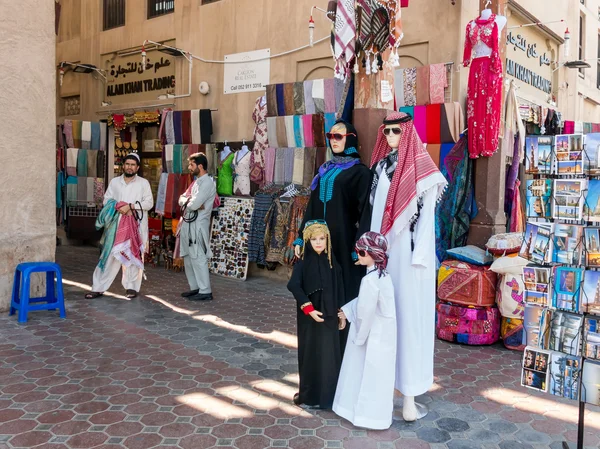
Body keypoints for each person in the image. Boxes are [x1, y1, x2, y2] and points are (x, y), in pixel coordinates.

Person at [370, 112, 447, 421]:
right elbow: (376, 214)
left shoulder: (425, 172)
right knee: (384, 319)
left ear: (406, 132)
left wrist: (420, 261)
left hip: (413, 261)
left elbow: (427, 222)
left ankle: (410, 399)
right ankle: (386, 390)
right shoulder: (379, 167)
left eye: (395, 131)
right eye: (385, 131)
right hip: (385, 256)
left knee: (410, 324)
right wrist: (373, 252)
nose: (389, 136)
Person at [293, 119, 372, 313]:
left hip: (344, 241)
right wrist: (301, 238)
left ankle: (344, 332)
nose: (333, 141)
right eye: (330, 136)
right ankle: (324, 326)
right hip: (320, 241)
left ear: (350, 140)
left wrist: (359, 245)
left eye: (338, 136)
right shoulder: (324, 170)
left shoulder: (360, 173)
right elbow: (312, 207)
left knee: (345, 285)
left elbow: (365, 213)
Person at [333, 232, 397, 430]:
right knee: (379, 376)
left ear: (373, 254)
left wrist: (360, 338)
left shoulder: (370, 280)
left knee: (363, 373)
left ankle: (361, 414)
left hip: (372, 334)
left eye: (361, 252)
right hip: (383, 332)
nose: (358, 255)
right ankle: (375, 416)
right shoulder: (382, 275)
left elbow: (365, 312)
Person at [287, 220, 346, 409]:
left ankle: (329, 397)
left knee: (330, 356)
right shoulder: (303, 263)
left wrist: (341, 314)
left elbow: (339, 288)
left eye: (322, 238)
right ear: (308, 240)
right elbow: (294, 285)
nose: (318, 243)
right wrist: (308, 309)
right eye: (314, 239)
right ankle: (310, 395)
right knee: (311, 354)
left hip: (329, 318)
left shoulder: (332, 263)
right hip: (310, 320)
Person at [85, 153, 154, 299]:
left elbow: (149, 203)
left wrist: (130, 207)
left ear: (138, 167)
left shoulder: (143, 183)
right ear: (123, 165)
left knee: (133, 257)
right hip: (116, 226)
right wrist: (119, 207)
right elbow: (107, 200)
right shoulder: (115, 182)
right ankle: (97, 287)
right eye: (127, 164)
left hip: (136, 226)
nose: (130, 167)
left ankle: (132, 288)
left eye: (133, 165)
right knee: (109, 256)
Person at [178, 153, 217, 301]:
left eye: (191, 165)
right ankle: (195, 287)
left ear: (200, 166)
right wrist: (190, 202)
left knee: (198, 257)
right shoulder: (196, 182)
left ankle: (205, 290)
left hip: (198, 226)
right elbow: (183, 199)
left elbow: (193, 204)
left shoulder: (207, 183)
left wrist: (190, 202)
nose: (189, 168)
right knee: (188, 258)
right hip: (188, 224)